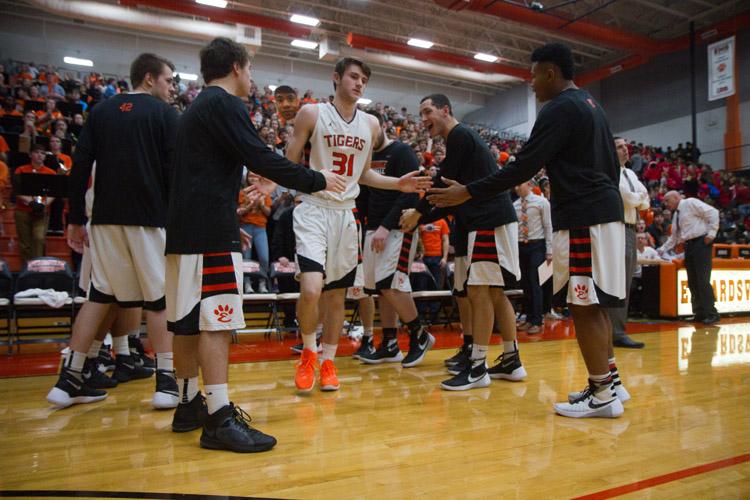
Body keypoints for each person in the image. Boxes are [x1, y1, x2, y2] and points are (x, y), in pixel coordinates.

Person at [427, 43, 627, 418]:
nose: (531, 83)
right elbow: (612, 171)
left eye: (534, 74)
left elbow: (522, 168)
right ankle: (609, 382)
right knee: (593, 303)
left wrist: (467, 190)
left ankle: (602, 394)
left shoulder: (559, 109)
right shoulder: (590, 105)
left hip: (584, 215)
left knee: (582, 304)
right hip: (604, 210)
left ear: (550, 72)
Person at [166, 37, 346, 453]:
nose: (252, 79)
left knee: (188, 321)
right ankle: (219, 417)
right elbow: (262, 156)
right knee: (217, 320)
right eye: (249, 70)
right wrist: (317, 179)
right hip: (209, 233)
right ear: (234, 67)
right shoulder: (224, 104)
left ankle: (189, 403)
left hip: (186, 229)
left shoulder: (196, 110)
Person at [286, 57, 431, 394]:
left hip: (345, 215)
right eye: (353, 76)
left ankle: (329, 362)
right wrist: (296, 181)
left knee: (337, 296)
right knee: (311, 289)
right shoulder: (312, 113)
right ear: (336, 78)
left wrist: (399, 185)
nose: (359, 83)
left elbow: (364, 175)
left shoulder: (371, 125)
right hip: (313, 208)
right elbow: (289, 162)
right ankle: (309, 352)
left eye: (364, 79)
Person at [46, 53, 180, 410]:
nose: (173, 88)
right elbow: (175, 172)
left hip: (103, 219)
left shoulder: (101, 111)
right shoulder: (165, 114)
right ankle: (166, 383)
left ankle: (69, 379)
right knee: (158, 299)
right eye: (169, 81)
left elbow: (79, 168)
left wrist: (75, 217)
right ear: (149, 79)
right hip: (150, 219)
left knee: (100, 295)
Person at [400, 94, 525, 392]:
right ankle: (511, 359)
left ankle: (478, 367)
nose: (424, 118)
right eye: (420, 113)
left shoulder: (460, 135)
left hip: (488, 220)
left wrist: (417, 212)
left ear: (446, 110)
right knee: (495, 294)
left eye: (428, 111)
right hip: (491, 220)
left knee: (480, 292)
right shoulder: (462, 138)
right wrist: (422, 212)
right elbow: (449, 195)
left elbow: (443, 184)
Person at [354, 109, 430, 365]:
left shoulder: (402, 152)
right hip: (373, 228)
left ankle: (419, 335)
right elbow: (363, 195)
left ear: (382, 126)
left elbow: (410, 193)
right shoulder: (366, 158)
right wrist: (366, 227)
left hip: (398, 228)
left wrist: (386, 227)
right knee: (380, 290)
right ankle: (389, 343)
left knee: (393, 285)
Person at [609, 137, 649, 349]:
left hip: (631, 229)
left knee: (627, 281)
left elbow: (645, 200)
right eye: (619, 147)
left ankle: (617, 330)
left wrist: (638, 197)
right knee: (619, 282)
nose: (625, 150)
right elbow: (628, 199)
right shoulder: (611, 172)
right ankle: (615, 332)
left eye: (625, 146)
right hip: (618, 227)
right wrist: (639, 197)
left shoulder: (630, 173)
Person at [658, 191, 720, 324]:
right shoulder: (676, 215)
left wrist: (712, 234)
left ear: (675, 197)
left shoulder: (690, 202)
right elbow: (674, 237)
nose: (665, 204)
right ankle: (699, 312)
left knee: (702, 279)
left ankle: (712, 312)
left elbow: (714, 212)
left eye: (667, 200)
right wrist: (662, 249)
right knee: (692, 281)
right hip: (689, 246)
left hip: (701, 243)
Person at [513, 180, 552, 335]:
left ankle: (537, 320)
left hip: (538, 245)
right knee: (526, 283)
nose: (516, 187)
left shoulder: (542, 202)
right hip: (520, 245)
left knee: (536, 282)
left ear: (529, 184)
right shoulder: (515, 205)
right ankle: (528, 318)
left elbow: (548, 226)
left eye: (519, 184)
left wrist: (550, 251)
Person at [12, 143, 56, 263]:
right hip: (22, 211)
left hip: (42, 211)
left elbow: (53, 193)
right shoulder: (20, 170)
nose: (39, 155)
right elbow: (17, 189)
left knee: (39, 238)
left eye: (42, 153)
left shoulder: (51, 172)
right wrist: (31, 202)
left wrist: (43, 205)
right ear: (30, 154)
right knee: (25, 243)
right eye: (36, 152)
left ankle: (37, 267)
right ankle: (26, 269)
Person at [630, 232, 662, 316]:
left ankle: (650, 310)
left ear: (646, 241)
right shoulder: (632, 251)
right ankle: (634, 310)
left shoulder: (650, 250)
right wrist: (651, 261)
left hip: (648, 277)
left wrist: (653, 262)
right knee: (632, 288)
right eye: (638, 238)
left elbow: (659, 260)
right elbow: (638, 261)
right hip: (635, 277)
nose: (640, 240)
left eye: (642, 238)